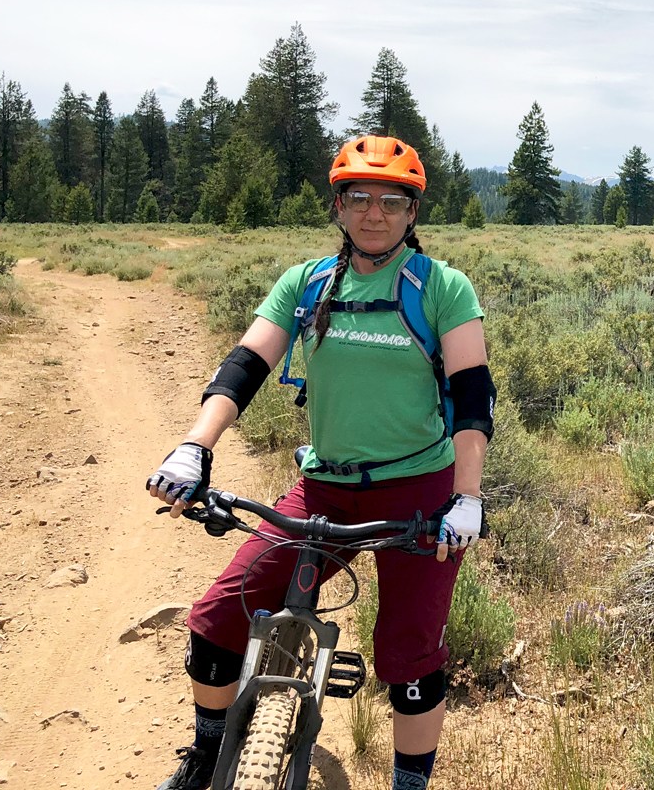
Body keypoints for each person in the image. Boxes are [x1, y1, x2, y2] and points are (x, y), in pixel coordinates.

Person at [146, 135, 496, 790]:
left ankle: (408, 784)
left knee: (410, 659)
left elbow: (473, 398)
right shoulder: (307, 283)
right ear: (337, 206)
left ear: (412, 213)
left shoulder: (441, 288)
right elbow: (245, 366)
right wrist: (196, 445)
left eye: (392, 201)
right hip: (324, 487)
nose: (374, 213)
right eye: (358, 197)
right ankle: (204, 756)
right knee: (217, 619)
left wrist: (467, 496)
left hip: (420, 494)